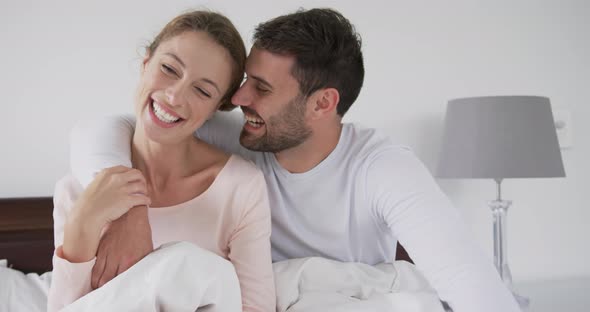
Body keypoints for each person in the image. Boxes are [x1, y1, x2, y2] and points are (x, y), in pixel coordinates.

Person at [70, 8, 522, 312]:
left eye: (261, 89)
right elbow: (107, 127)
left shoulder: (382, 168)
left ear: (323, 103)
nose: (239, 97)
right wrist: (127, 207)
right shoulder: (244, 136)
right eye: (247, 81)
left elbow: (470, 284)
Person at [48, 10, 275, 312]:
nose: (175, 96)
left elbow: (255, 308)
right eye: (169, 68)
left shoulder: (239, 189)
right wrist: (82, 223)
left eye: (202, 90)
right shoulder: (77, 190)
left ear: (215, 109)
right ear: (145, 63)